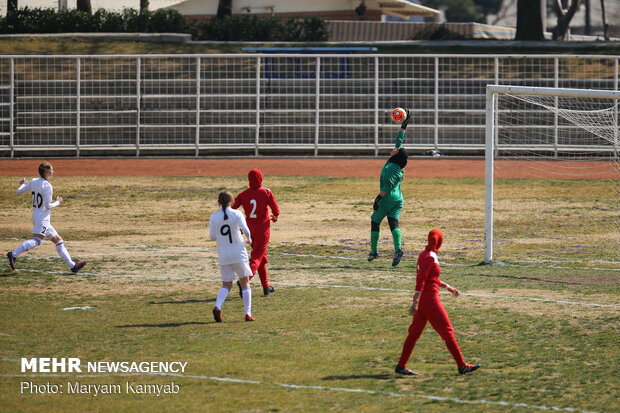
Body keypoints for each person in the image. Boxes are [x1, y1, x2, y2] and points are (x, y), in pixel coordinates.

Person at [395, 228, 481, 376]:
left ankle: (401, 365)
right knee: (448, 331)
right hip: (430, 301)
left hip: (424, 301)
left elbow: (430, 278)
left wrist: (447, 286)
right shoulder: (431, 257)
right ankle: (462, 366)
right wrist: (415, 301)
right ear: (439, 241)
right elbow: (421, 280)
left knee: (414, 333)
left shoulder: (424, 254)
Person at [6, 162, 87, 273]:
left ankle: (73, 266)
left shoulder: (34, 181)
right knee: (37, 240)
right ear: (46, 171)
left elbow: (19, 192)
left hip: (37, 216)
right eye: (51, 170)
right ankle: (13, 254)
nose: (53, 172)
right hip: (43, 218)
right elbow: (48, 206)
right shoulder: (47, 186)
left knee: (58, 240)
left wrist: (22, 184)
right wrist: (58, 202)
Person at [368, 109, 411, 267]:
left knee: (374, 221)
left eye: (397, 149)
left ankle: (374, 251)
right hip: (398, 200)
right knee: (393, 224)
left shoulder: (392, 168)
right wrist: (404, 124)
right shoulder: (397, 162)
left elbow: (387, 186)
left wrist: (377, 199)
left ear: (397, 155)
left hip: (387, 199)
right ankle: (398, 250)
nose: (395, 148)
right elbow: (399, 140)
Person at [232, 169, 280, 297]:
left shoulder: (243, 194)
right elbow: (276, 210)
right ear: (261, 178)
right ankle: (244, 280)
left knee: (261, 258)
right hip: (263, 230)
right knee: (257, 257)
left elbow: (233, 208)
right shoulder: (266, 192)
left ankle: (266, 287)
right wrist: (274, 217)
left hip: (249, 229)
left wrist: (239, 223)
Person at [209, 190, 255, 322]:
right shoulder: (237, 213)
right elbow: (246, 229)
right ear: (232, 201)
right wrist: (249, 239)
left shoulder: (214, 216)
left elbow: (212, 236)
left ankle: (218, 307)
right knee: (245, 283)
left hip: (224, 255)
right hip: (238, 253)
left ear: (219, 202)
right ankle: (248, 313)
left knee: (226, 284)